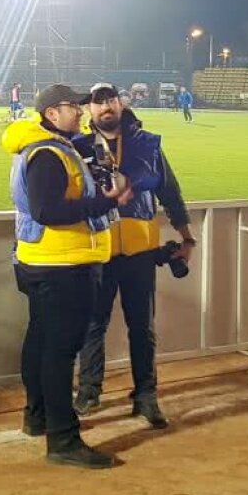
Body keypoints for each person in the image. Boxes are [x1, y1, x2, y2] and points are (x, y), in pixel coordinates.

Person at [1, 84, 129, 469]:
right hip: (62, 265)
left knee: (41, 341)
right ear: (51, 114)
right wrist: (104, 202)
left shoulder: (49, 147)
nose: (80, 111)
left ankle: (37, 416)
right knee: (58, 351)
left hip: (43, 261)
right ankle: (63, 439)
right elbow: (48, 210)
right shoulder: (48, 153)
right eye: (71, 106)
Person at [73, 85, 194, 428]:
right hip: (99, 249)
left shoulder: (148, 143)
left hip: (140, 252)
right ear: (90, 111)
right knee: (93, 324)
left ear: (121, 103)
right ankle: (88, 391)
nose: (106, 106)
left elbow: (170, 192)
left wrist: (187, 239)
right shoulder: (79, 147)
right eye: (98, 102)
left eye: (111, 99)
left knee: (142, 327)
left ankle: (146, 395)